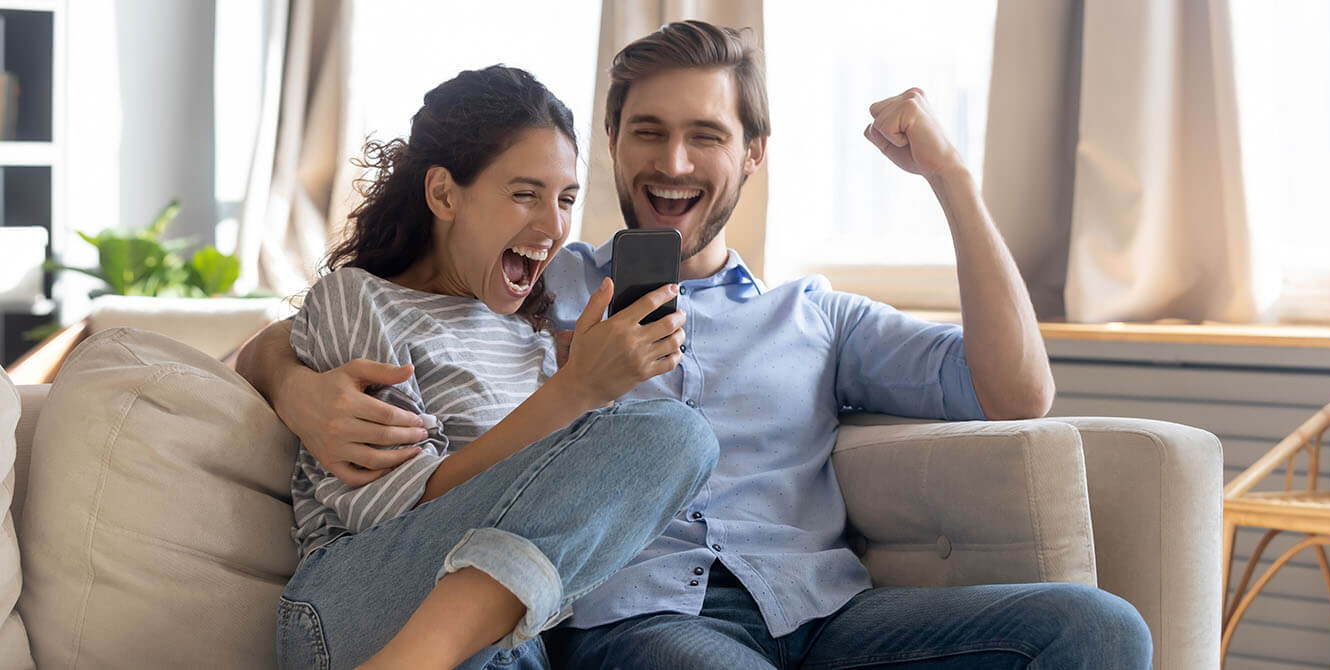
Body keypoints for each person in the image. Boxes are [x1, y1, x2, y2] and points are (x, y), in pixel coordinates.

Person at [239, 21, 1152, 669]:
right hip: (640, 626)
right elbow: (366, 312)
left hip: (824, 614)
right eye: (648, 133)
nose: (673, 163)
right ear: (611, 144)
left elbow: (1018, 394)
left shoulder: (817, 318)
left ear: (752, 153)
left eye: (704, 136)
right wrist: (290, 380)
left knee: (1101, 631)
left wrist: (951, 179)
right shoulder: (545, 286)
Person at [270, 65, 721, 670]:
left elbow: (555, 522)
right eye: (524, 193)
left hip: (506, 644)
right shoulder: (358, 300)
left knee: (676, 439)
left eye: (565, 199)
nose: (553, 226)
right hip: (353, 609)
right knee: (678, 431)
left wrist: (585, 393)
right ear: (444, 194)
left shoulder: (532, 340)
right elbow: (392, 508)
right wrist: (574, 392)